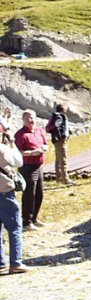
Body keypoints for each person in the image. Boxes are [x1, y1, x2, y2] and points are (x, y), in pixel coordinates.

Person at [0, 117, 28, 273]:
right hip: (4, 192)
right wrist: (11, 142)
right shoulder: (3, 150)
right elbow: (19, 162)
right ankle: (16, 262)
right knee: (14, 227)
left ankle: (1, 262)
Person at [14, 109, 48, 231]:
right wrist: (32, 153)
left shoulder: (38, 131)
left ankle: (34, 218)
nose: (31, 120)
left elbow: (46, 144)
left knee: (39, 193)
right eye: (28, 118)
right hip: (27, 167)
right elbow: (17, 152)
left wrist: (43, 148)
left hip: (39, 166)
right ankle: (26, 222)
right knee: (29, 194)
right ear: (23, 120)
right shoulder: (20, 134)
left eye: (32, 118)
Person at [47, 103, 72, 185]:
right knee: (63, 160)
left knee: (58, 160)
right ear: (63, 109)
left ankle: (59, 178)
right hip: (60, 140)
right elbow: (58, 126)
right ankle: (65, 179)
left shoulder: (56, 116)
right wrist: (60, 136)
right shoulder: (60, 116)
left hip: (57, 140)